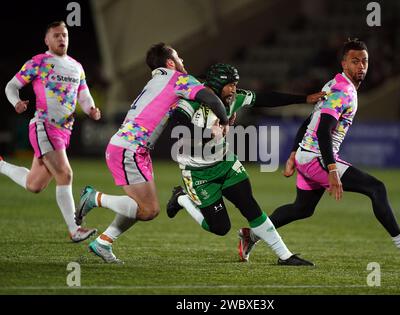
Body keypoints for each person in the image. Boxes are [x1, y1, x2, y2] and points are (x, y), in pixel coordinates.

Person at [238, 39, 400, 262]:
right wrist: (332, 170)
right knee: (376, 188)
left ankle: (251, 235)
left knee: (302, 208)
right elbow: (323, 130)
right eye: (355, 61)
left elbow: (310, 120)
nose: (361, 66)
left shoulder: (333, 84)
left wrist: (294, 152)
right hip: (317, 158)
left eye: (364, 61)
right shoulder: (344, 91)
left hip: (308, 155)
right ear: (344, 63)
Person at [75, 43, 230, 263]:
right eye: (179, 57)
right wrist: (224, 122)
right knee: (148, 210)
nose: (182, 61)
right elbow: (211, 99)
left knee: (141, 206)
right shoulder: (178, 79)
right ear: (170, 63)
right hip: (131, 148)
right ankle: (94, 198)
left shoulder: (155, 81)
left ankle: (103, 242)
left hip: (131, 147)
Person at [166, 63, 326, 265]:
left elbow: (265, 98)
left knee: (251, 207)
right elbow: (176, 128)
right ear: (216, 84)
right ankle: (181, 198)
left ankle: (285, 256)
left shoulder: (233, 99)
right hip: (198, 174)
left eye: (235, 84)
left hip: (226, 164)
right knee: (219, 227)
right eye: (230, 85)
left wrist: (303, 98)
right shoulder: (191, 101)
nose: (234, 89)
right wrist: (207, 134)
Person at [1, 21, 100, 242]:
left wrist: (91, 110)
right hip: (44, 125)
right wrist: (16, 102)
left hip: (64, 131)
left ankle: (0, 164)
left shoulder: (76, 66)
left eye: (64, 35)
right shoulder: (39, 62)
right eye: (56, 35)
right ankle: (75, 229)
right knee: (65, 174)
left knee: (34, 185)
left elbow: (84, 96)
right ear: (47, 40)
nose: (61, 39)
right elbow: (11, 86)